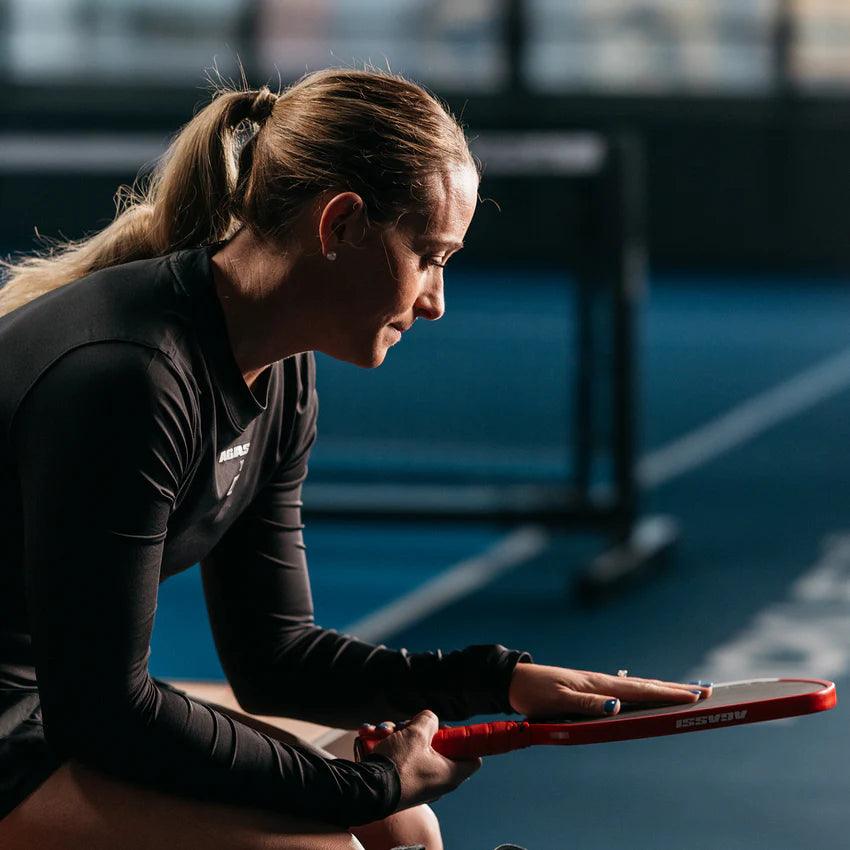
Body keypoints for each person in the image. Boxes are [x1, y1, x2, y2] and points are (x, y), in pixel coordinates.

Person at [0, 68, 711, 850]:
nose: (437, 300)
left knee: (404, 828)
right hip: (37, 721)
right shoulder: (130, 379)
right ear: (339, 226)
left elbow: (276, 659)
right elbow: (104, 713)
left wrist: (498, 679)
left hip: (54, 702)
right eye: (430, 255)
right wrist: (359, 786)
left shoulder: (279, 370)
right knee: (336, 842)